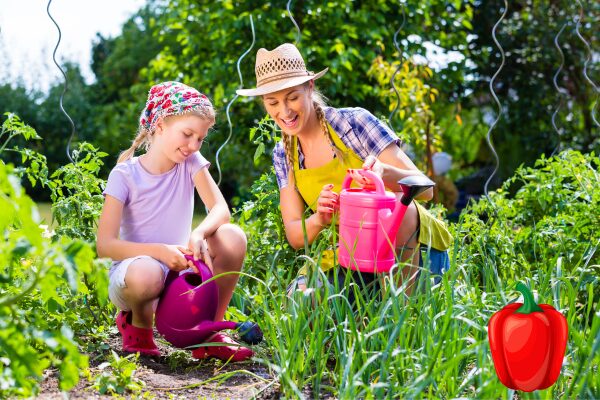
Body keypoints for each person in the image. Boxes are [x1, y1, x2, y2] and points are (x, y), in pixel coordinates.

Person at [237, 43, 453, 297]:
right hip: (349, 253)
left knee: (395, 204)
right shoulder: (284, 153)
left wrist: (385, 173)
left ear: (310, 87)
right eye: (272, 102)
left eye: (292, 97)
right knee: (299, 302)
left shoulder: (354, 123)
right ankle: (367, 314)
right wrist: (319, 218)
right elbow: (296, 235)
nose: (284, 111)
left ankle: (403, 318)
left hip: (413, 250)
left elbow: (425, 190)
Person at [96, 81, 252, 361]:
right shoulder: (124, 175)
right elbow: (105, 245)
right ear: (161, 125)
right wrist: (159, 252)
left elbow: (220, 208)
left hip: (178, 271)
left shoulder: (190, 162)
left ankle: (208, 332)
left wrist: (199, 234)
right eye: (187, 134)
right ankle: (138, 325)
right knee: (147, 273)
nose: (193, 145)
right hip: (135, 275)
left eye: (200, 139)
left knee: (233, 237)